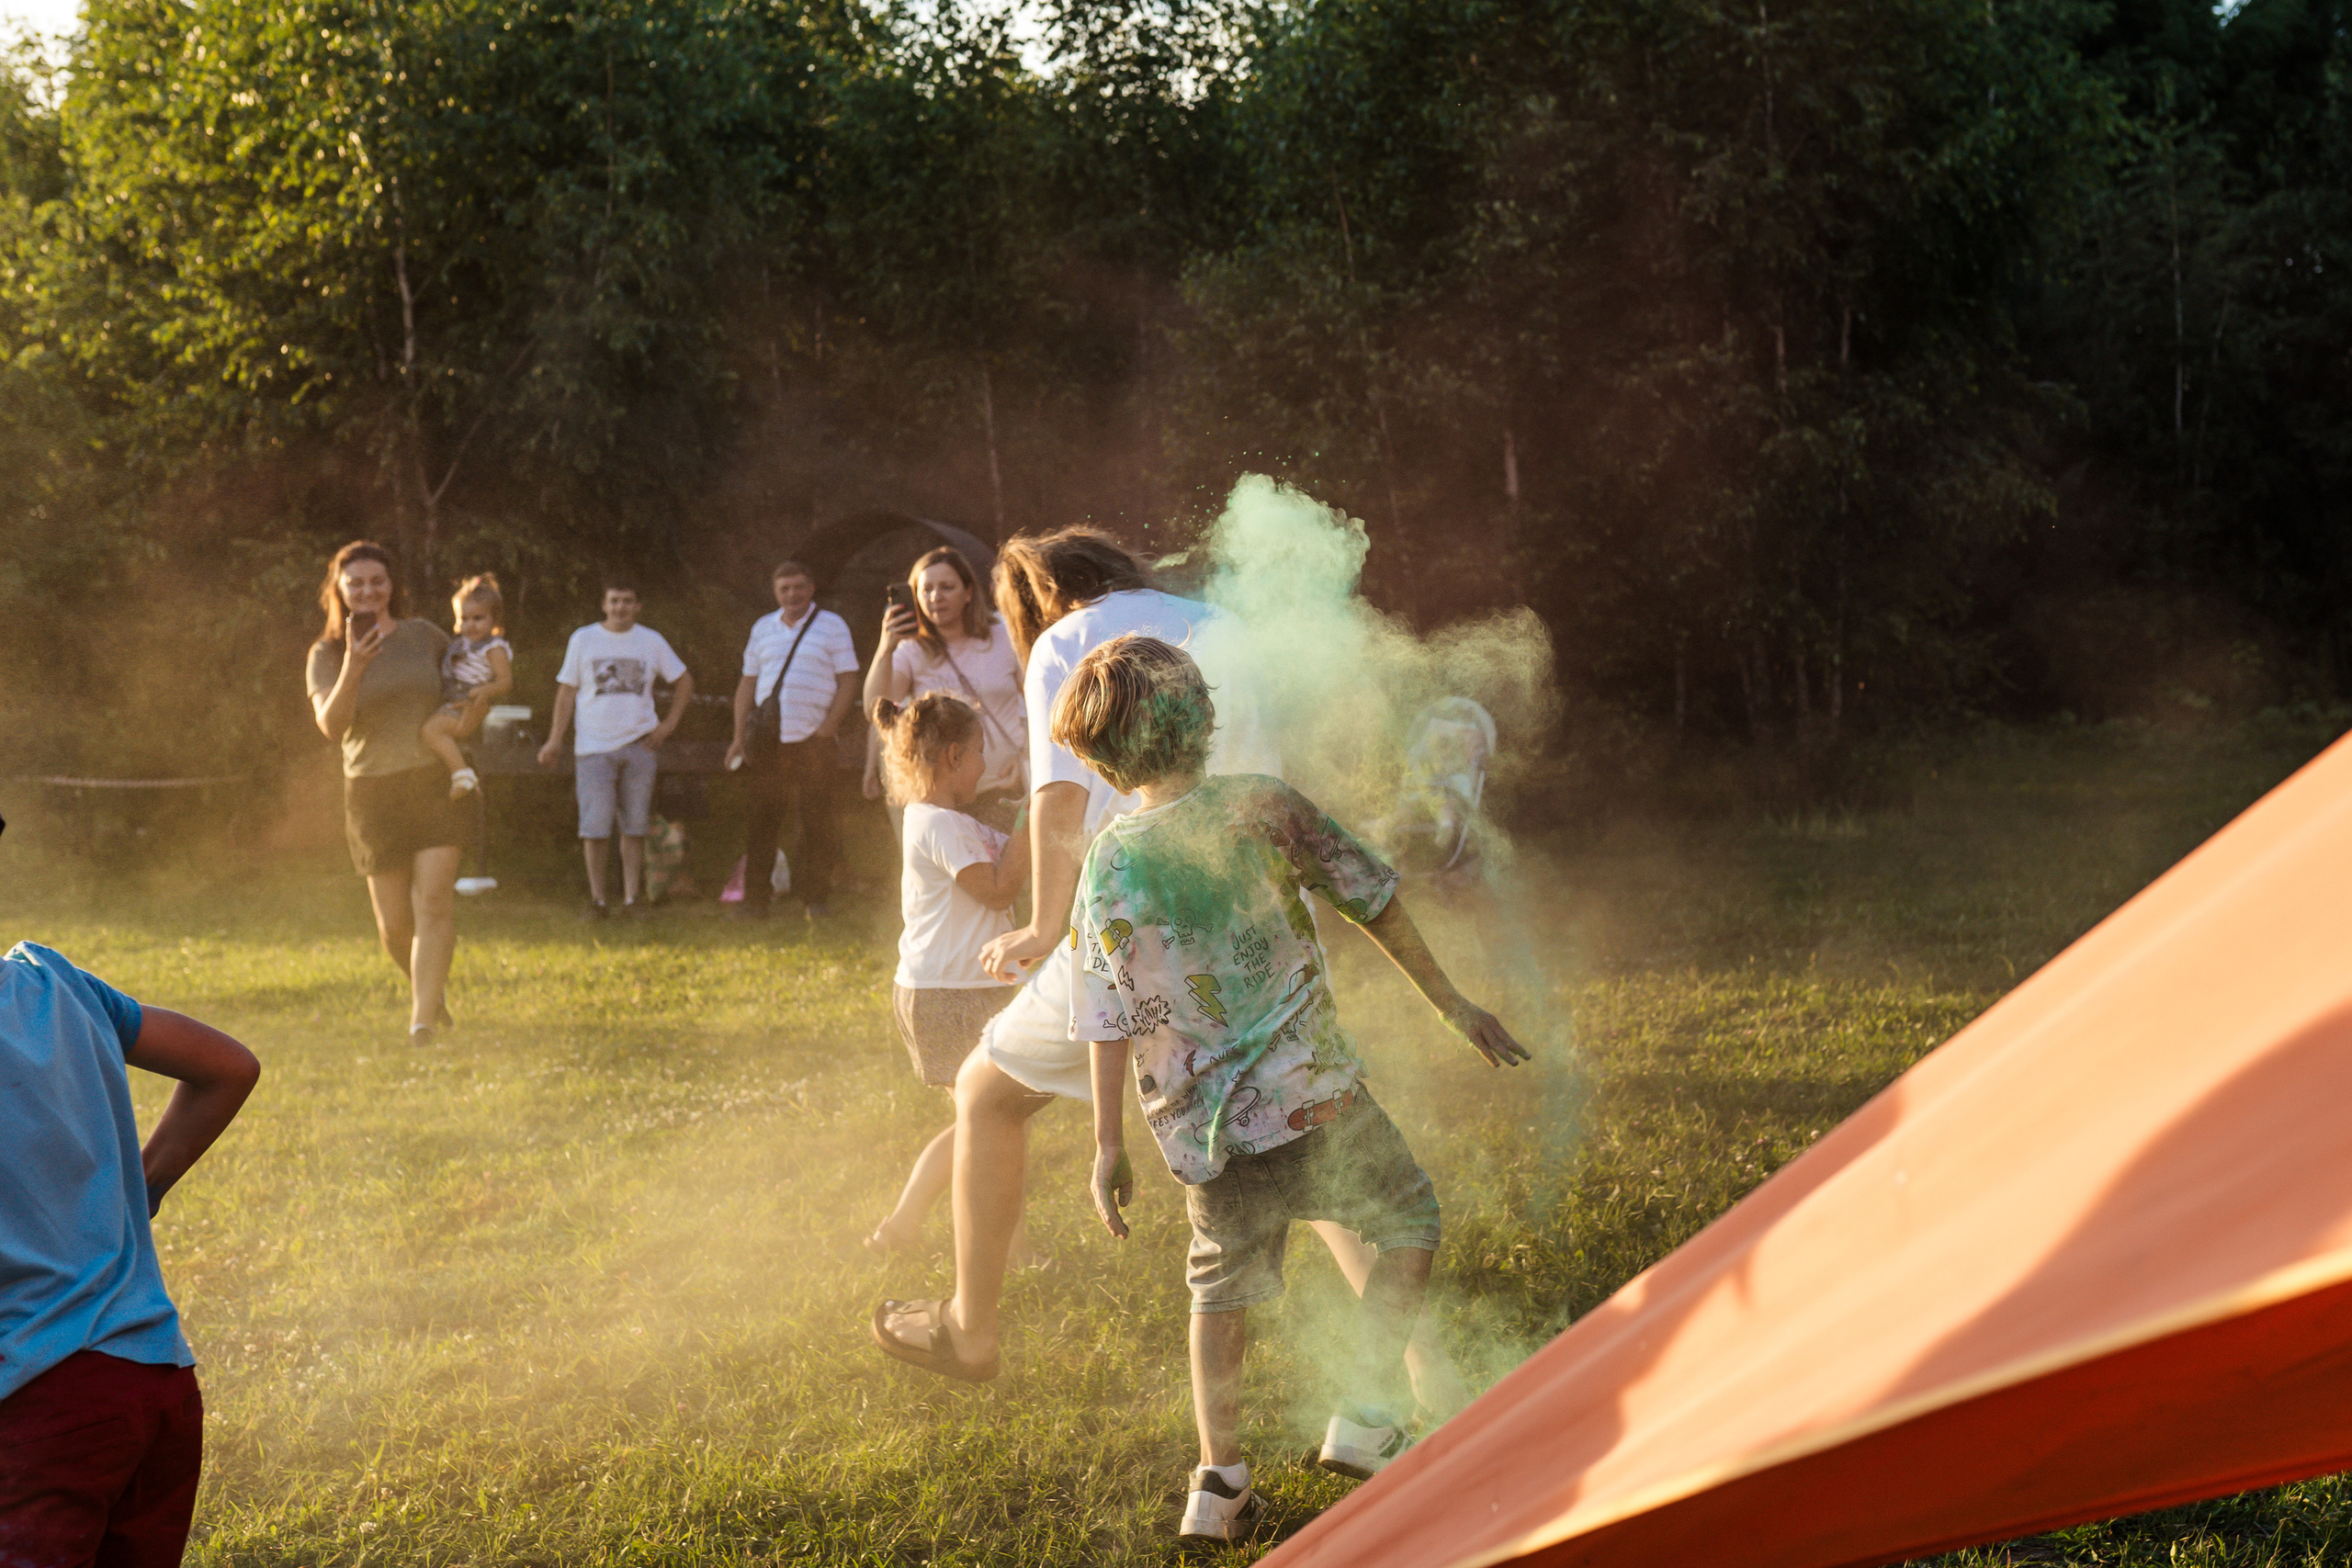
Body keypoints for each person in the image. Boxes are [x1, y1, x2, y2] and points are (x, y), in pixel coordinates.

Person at [872, 528, 1474, 1419]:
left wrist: (1043, 923)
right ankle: (1430, 1375)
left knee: (985, 1094)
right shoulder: (1221, 622)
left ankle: (970, 1329)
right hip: (1256, 926)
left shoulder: (1067, 645)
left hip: (1137, 927)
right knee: (1298, 1131)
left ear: (1038, 600)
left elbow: (1058, 800)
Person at [1057, 637, 1531, 1541]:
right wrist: (1450, 1002)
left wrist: (1108, 1146)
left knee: (1217, 1289)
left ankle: (1218, 1483)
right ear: (1199, 718)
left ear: (1096, 753)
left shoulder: (1106, 864)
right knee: (1407, 1220)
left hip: (1201, 1134)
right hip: (1313, 1099)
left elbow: (1102, 1016)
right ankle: (1364, 1406)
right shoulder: (1258, 808)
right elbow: (1371, 896)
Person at [0, 815, 264, 1568]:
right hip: (158, 1382)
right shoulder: (55, 984)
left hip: (39, 1408)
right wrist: (141, 1186)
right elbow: (229, 1067)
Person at [859, 694, 1030, 1264]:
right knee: (987, 1125)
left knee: (989, 1125)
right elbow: (1000, 888)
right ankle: (909, 1224)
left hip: (952, 989)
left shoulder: (945, 820)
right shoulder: (941, 826)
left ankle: (999, 1243)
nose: (985, 765)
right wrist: (1038, 813)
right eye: (980, 753)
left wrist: (1013, 804)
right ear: (954, 756)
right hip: (952, 995)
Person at [307, 540, 469, 1043]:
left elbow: (467, 685)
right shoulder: (326, 653)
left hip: (431, 782)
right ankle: (430, 990)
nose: (368, 590)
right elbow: (331, 728)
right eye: (356, 582)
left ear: (391, 586)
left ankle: (421, 1021)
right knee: (394, 926)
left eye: (377, 581)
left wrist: (463, 721)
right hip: (371, 791)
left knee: (435, 902)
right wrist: (355, 665)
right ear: (340, 588)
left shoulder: (424, 636)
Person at [536, 576, 695, 920]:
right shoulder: (584, 639)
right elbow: (566, 693)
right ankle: (597, 901)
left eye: (627, 601)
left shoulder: (651, 641)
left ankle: (632, 899)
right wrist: (554, 739)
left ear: (638, 606)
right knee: (594, 828)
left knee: (635, 827)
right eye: (614, 601)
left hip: (640, 746)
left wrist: (667, 727)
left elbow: (684, 681)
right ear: (604, 605)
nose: (621, 607)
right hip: (593, 748)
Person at [724, 560, 859, 921]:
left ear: (811, 588)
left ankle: (815, 899)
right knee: (762, 822)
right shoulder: (762, 628)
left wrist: (827, 730)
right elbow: (747, 686)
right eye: (784, 589)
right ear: (775, 592)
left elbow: (848, 679)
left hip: (813, 739)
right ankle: (755, 901)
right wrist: (739, 737)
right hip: (769, 741)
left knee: (817, 823)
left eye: (798, 587)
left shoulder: (832, 626)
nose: (792, 595)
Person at [861, 547, 1026, 832]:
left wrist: (1026, 759)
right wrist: (885, 649)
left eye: (947, 587)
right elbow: (874, 707)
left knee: (1010, 873)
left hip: (1006, 785)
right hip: (945, 799)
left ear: (969, 592)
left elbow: (1040, 703)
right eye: (926, 590)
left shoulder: (1004, 634)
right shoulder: (911, 650)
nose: (936, 597)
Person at [418, 574, 514, 801]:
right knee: (434, 732)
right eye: (464, 618)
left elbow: (506, 681)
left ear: (494, 619)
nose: (470, 625)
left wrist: (485, 691)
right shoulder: (460, 644)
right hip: (452, 696)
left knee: (431, 731)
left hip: (469, 699)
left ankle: (462, 775)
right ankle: (466, 779)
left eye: (478, 618)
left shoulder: (494, 648)